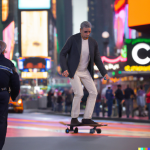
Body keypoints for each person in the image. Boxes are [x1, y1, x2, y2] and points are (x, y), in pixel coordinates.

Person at [60, 21, 110, 125]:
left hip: (85, 71)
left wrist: (104, 72)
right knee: (79, 93)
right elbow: (62, 54)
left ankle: (87, 118)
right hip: (74, 71)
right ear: (80, 30)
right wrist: (64, 68)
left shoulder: (93, 42)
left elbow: (97, 59)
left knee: (94, 92)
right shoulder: (73, 39)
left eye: (89, 32)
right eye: (85, 32)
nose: (87, 34)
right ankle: (74, 118)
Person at [0, 41, 20, 150]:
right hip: (2, 94)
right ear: (4, 50)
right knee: (1, 121)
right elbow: (15, 82)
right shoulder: (9, 64)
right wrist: (13, 95)